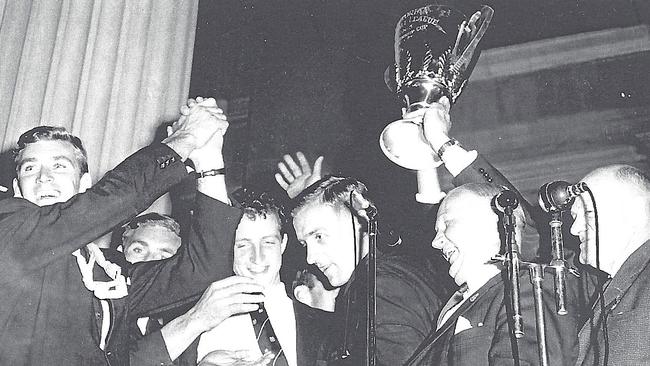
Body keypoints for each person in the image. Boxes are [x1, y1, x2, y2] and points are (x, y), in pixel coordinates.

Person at [0, 97, 254, 366]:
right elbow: (110, 201)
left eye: (59, 165)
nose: (43, 177)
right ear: (17, 189)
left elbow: (203, 269)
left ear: (84, 183)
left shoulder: (105, 270)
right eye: (30, 168)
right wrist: (184, 139)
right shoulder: (7, 227)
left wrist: (208, 161)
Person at [408, 183, 583, 365]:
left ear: (499, 222)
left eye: (447, 223)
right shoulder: (458, 304)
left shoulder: (529, 285)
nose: (436, 242)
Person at [288, 174, 454, 365]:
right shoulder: (381, 276)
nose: (310, 258)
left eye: (318, 236)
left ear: (362, 220)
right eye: (304, 244)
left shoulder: (381, 286)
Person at [172, 188, 331, 366]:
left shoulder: (325, 326)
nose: (258, 257)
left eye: (268, 243)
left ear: (283, 244)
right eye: (243, 245)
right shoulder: (189, 329)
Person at [571, 165, 650, 365]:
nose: (573, 229)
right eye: (574, 217)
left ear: (636, 211)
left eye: (588, 213)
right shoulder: (616, 287)